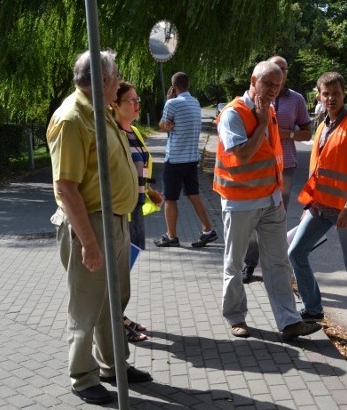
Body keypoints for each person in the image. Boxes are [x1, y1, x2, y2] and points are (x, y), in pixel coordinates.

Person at [47, 50, 152, 405]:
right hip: (90, 225)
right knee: (87, 305)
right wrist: (89, 243)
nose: (120, 80)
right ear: (103, 80)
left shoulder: (102, 112)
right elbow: (66, 187)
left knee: (113, 300)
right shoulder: (73, 118)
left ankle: (113, 366)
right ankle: (83, 376)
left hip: (115, 221)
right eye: (116, 75)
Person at [214, 60, 322, 340]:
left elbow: (272, 156)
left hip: (270, 201)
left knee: (277, 262)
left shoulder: (269, 108)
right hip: (240, 203)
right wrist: (261, 123)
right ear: (253, 80)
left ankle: (288, 322)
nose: (274, 89)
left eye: (278, 84)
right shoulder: (233, 114)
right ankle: (236, 317)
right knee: (234, 264)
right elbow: (243, 155)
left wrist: (277, 196)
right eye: (268, 84)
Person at [288, 71, 347, 342]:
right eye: (326, 94)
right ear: (319, 96)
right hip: (320, 206)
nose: (331, 98)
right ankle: (313, 309)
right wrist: (310, 203)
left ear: (343, 93)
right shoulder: (322, 123)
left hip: (346, 209)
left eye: (335, 93)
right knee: (296, 252)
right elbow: (319, 169)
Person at [241, 56, 312, 283]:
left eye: (284, 69)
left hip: (286, 165)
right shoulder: (255, 98)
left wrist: (288, 134)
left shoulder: (297, 99)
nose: (280, 74)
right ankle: (250, 264)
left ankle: (277, 268)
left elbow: (307, 132)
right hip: (257, 168)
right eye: (276, 69)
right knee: (254, 219)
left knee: (277, 219)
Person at [112, 80, 163, 343]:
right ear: (115, 104)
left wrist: (150, 190)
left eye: (138, 99)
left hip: (136, 207)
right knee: (118, 267)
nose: (136, 105)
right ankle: (115, 323)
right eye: (131, 100)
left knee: (128, 262)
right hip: (120, 210)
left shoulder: (132, 131)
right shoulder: (114, 134)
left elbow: (139, 167)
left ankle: (118, 315)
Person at [154, 72, 218, 248]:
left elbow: (162, 126)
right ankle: (208, 229)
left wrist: (167, 101)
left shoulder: (172, 103)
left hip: (174, 159)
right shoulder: (195, 102)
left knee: (170, 198)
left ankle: (171, 236)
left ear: (173, 88)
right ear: (188, 85)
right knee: (194, 194)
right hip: (191, 158)